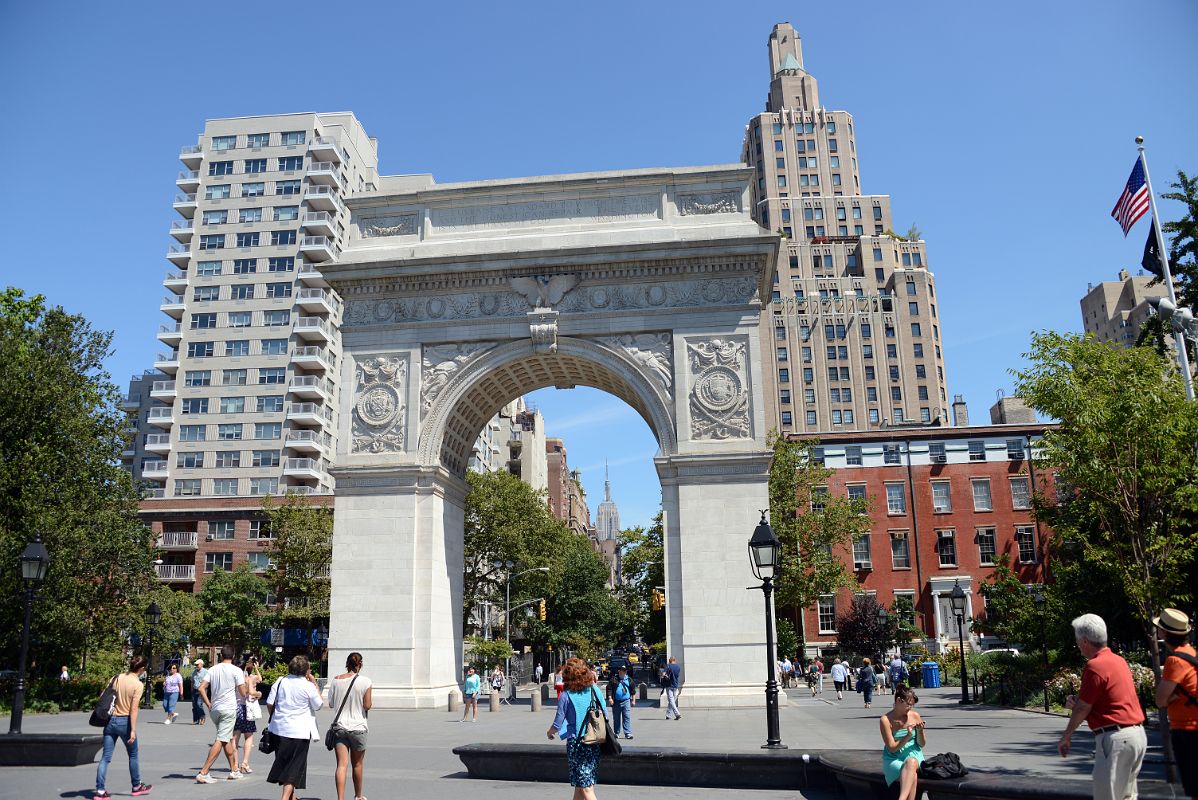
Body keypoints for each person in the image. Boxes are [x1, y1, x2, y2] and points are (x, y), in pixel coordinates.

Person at [1057, 614, 1146, 800]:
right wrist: (1079, 703)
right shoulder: (1118, 661)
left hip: (1115, 738)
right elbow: (1107, 700)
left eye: (1078, 641)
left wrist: (1066, 736)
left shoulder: (1095, 666)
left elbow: (1083, 708)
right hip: (1136, 735)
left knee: (1107, 796)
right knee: (1127, 796)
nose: (1078, 646)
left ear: (1085, 641)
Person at [546, 657, 607, 800]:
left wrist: (550, 733)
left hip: (578, 743)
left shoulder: (566, 696)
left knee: (586, 787)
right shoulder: (594, 690)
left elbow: (557, 723)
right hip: (595, 741)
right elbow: (605, 714)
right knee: (582, 784)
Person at [93, 655, 154, 799]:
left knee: (105, 758)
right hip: (125, 722)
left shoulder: (117, 677)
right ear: (142, 669)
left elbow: (103, 695)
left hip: (110, 721)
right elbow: (133, 709)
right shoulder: (138, 685)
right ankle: (136, 786)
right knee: (133, 755)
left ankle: (100, 791)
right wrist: (132, 730)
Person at [1153, 608, 1198, 800]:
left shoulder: (1175, 660)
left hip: (1187, 730)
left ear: (1165, 633)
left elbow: (1160, 700)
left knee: (1194, 787)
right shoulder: (1191, 652)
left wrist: (1171, 698)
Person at [265, 655, 324, 800]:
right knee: (294, 767)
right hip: (300, 730)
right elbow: (319, 705)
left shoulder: (280, 681)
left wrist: (276, 717)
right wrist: (315, 684)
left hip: (278, 729)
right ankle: (285, 798)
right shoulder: (308, 686)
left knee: (285, 763)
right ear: (306, 671)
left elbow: (270, 703)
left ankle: (292, 797)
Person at [195, 645, 248, 783]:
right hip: (228, 708)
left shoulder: (212, 669)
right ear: (234, 656)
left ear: (221, 655)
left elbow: (201, 688)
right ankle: (204, 772)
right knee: (221, 739)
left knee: (225, 739)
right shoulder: (237, 671)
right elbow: (243, 693)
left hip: (215, 709)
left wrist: (208, 703)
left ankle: (234, 770)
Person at [327, 651, 373, 800]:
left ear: (347, 664)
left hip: (340, 727)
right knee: (357, 765)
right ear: (361, 664)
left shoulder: (336, 680)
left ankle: (340, 798)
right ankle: (358, 796)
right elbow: (367, 705)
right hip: (358, 727)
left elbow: (332, 703)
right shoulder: (366, 681)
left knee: (341, 765)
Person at [880, 684, 926, 800]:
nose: (910, 707)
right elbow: (892, 748)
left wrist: (919, 731)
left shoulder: (915, 715)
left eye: (912, 705)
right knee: (912, 776)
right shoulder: (885, 719)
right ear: (899, 701)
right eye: (908, 704)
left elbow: (921, 744)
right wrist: (908, 735)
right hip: (893, 758)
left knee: (911, 762)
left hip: (914, 754)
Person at [232, 655, 263, 774]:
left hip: (236, 708)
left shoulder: (234, 679)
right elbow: (250, 692)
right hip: (246, 708)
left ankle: (235, 764)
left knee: (235, 737)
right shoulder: (248, 678)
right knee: (249, 736)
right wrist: (259, 694)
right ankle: (244, 763)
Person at [605, 664, 635, 739]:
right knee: (616, 718)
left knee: (626, 717)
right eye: (622, 671)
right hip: (616, 702)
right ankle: (616, 733)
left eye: (625, 671)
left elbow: (633, 691)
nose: (624, 672)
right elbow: (609, 689)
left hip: (626, 701)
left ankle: (627, 733)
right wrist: (610, 698)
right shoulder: (614, 679)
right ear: (619, 671)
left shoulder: (629, 680)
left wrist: (633, 700)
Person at [662, 656, 682, 720]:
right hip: (675, 685)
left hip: (669, 685)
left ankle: (677, 713)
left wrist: (665, 675)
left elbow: (663, 674)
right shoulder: (678, 667)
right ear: (675, 660)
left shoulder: (668, 666)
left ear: (669, 660)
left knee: (671, 700)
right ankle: (668, 715)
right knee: (672, 700)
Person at [191, 659, 208, 725]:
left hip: (202, 690)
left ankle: (202, 716)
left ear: (201, 664)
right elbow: (192, 681)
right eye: (196, 665)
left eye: (197, 664)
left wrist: (204, 688)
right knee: (194, 705)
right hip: (195, 690)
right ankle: (196, 719)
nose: (196, 666)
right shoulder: (194, 672)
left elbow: (208, 682)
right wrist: (191, 689)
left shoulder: (205, 672)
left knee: (199, 704)